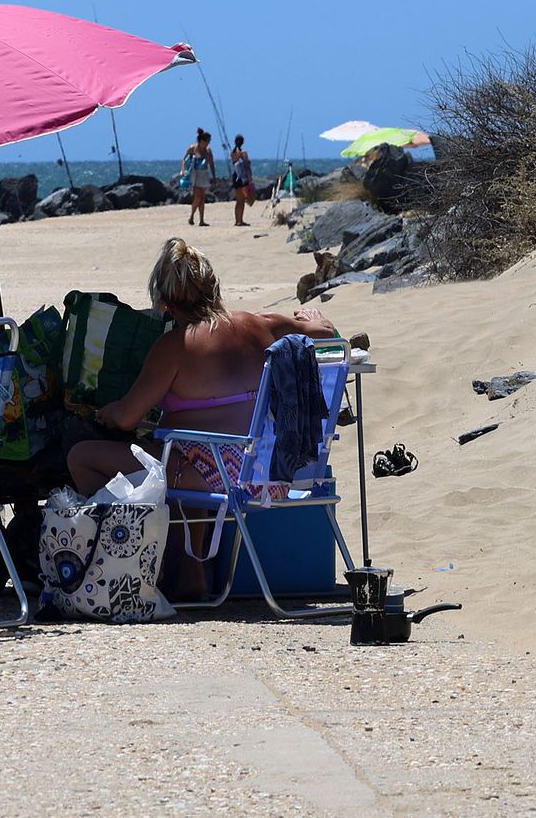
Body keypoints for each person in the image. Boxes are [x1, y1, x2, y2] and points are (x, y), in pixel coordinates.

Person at [65, 238, 337, 597]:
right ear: (215, 286)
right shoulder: (261, 324)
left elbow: (127, 418)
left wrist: (109, 411)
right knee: (184, 451)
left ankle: (139, 557)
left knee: (83, 457)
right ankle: (193, 568)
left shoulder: (174, 347)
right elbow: (327, 334)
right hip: (269, 471)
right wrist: (314, 318)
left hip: (214, 478)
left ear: (164, 303)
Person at [179, 129, 217, 227]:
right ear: (202, 140)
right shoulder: (193, 148)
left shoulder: (208, 151)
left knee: (202, 198)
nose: (208, 143)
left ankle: (201, 220)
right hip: (195, 175)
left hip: (204, 174)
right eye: (207, 141)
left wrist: (214, 176)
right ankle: (191, 216)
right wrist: (183, 170)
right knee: (197, 197)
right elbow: (184, 159)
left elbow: (212, 164)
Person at [229, 134, 255, 227]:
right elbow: (246, 166)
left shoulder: (232, 153)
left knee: (238, 200)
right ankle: (240, 220)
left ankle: (238, 220)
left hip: (236, 176)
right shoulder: (243, 153)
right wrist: (250, 177)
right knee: (241, 200)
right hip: (242, 177)